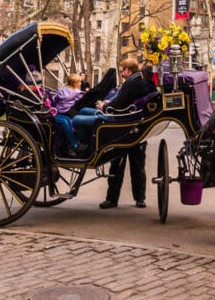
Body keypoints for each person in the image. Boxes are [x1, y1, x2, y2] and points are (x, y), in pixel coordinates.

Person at [97, 57, 154, 210]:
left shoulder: (131, 83)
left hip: (124, 128)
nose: (121, 72)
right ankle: (140, 198)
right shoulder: (139, 81)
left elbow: (118, 103)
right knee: (138, 166)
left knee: (117, 165)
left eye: (122, 70)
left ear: (128, 70)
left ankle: (112, 198)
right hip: (137, 127)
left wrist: (104, 106)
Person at [50, 73, 86, 157]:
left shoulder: (62, 91)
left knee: (67, 120)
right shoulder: (77, 93)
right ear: (75, 84)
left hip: (57, 111)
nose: (81, 84)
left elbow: (56, 100)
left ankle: (73, 145)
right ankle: (75, 145)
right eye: (79, 82)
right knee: (66, 121)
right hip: (57, 113)